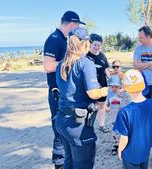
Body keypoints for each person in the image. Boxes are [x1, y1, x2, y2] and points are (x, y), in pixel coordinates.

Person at [55, 32, 108, 168]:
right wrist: (106, 90)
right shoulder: (85, 62)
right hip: (78, 125)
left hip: (62, 119)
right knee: (83, 164)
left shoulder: (62, 63)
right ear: (85, 43)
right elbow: (93, 93)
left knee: (69, 161)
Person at [43, 11, 85, 169]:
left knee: (66, 129)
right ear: (72, 24)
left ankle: (67, 161)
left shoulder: (63, 39)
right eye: (78, 25)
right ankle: (59, 164)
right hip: (56, 93)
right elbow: (48, 66)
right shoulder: (54, 39)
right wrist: (70, 62)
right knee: (60, 131)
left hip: (64, 93)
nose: (78, 28)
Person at [113, 69, 152, 169]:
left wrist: (120, 150)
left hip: (131, 154)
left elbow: (124, 137)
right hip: (145, 149)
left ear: (126, 88)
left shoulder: (125, 112)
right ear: (143, 85)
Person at [86, 33, 111, 133]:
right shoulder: (86, 56)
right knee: (90, 107)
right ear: (90, 44)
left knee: (102, 106)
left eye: (99, 45)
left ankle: (101, 125)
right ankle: (88, 126)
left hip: (103, 85)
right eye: (95, 45)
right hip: (90, 86)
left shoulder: (102, 56)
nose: (96, 47)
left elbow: (106, 70)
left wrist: (111, 79)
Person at [133, 26, 152, 98]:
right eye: (139, 37)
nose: (139, 39)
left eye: (141, 37)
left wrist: (141, 64)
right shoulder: (138, 49)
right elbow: (135, 65)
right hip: (141, 83)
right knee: (143, 106)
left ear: (149, 36)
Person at [105, 75, 130, 155]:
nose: (114, 88)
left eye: (116, 86)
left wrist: (122, 98)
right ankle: (116, 144)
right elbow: (107, 104)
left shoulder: (124, 94)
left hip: (122, 118)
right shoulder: (109, 93)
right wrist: (106, 107)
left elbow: (128, 105)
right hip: (113, 117)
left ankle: (124, 145)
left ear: (120, 86)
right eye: (112, 87)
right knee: (114, 132)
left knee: (123, 132)